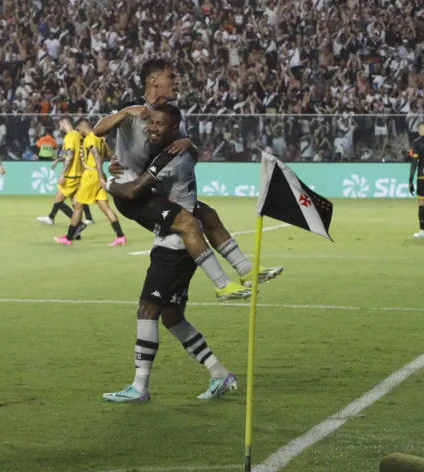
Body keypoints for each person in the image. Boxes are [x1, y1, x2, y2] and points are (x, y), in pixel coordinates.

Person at [95, 58, 281, 297]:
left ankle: (247, 271)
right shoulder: (131, 107)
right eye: (171, 76)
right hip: (133, 192)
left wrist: (189, 142)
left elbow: (191, 156)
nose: (177, 81)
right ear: (154, 81)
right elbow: (98, 130)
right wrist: (128, 112)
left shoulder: (171, 115)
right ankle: (222, 284)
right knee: (188, 223)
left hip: (155, 187)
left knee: (208, 214)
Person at [102, 104, 238, 402]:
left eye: (158, 125)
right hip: (181, 241)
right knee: (172, 317)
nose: (151, 129)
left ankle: (139, 388)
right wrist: (118, 164)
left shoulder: (169, 156)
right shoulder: (177, 151)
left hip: (174, 243)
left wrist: (106, 181)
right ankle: (219, 373)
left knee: (146, 311)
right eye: (150, 125)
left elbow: (131, 192)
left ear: (173, 129)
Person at [54, 119, 127, 246]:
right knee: (105, 207)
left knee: (78, 205)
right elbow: (109, 154)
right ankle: (120, 236)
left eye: (79, 130)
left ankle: (69, 237)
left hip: (92, 176)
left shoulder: (89, 139)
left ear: (83, 128)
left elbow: (98, 157)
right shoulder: (100, 139)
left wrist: (98, 176)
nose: (79, 134)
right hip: (98, 174)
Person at [36, 116, 93, 230]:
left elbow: (70, 155)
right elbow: (74, 154)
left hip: (71, 174)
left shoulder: (69, 136)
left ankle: (78, 225)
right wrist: (58, 160)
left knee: (59, 201)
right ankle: (73, 229)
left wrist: (63, 173)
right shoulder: (78, 135)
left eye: (60, 125)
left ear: (64, 123)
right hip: (79, 173)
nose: (60, 128)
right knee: (76, 203)